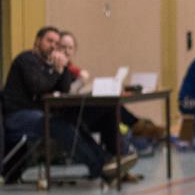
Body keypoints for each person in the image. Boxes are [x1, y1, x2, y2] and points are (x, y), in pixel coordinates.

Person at [2, 26, 134, 181]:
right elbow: (38, 86)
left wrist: (63, 68)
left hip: (41, 115)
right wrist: (57, 71)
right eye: (49, 41)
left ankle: (109, 162)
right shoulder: (26, 59)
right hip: (17, 116)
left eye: (56, 43)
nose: (53, 46)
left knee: (73, 121)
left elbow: (64, 89)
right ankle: (100, 167)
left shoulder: (50, 64)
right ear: (38, 41)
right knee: (58, 125)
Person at [58, 30, 166, 141]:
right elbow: (66, 91)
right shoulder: (58, 68)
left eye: (70, 48)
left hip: (82, 108)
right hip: (68, 114)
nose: (66, 51)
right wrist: (80, 81)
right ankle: (137, 126)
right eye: (63, 47)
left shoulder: (73, 69)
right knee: (109, 105)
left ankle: (130, 135)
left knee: (111, 111)